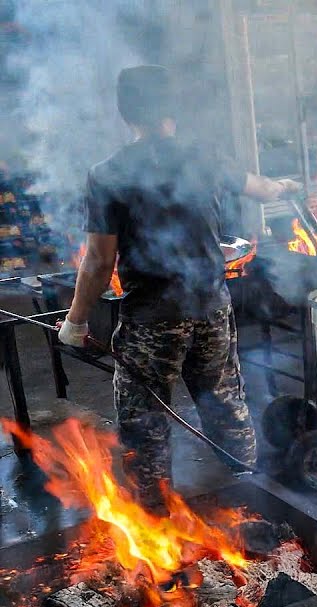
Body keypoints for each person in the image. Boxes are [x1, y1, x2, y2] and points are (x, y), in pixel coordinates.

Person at [57, 65, 299, 507]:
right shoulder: (204, 157)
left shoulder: (108, 173)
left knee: (144, 422)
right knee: (226, 408)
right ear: (173, 108)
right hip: (211, 309)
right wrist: (284, 185)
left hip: (152, 321)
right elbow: (261, 189)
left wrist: (75, 322)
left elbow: (99, 261)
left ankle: (153, 517)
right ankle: (256, 499)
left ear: (124, 112)